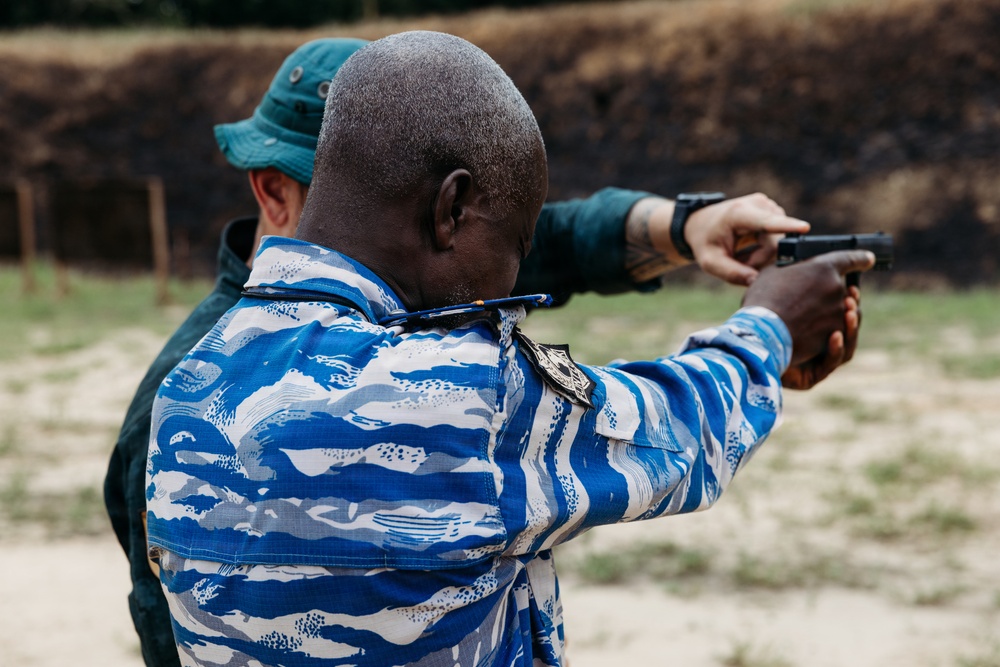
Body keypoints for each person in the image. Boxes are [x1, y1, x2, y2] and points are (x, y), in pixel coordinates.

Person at [145, 30, 873, 666]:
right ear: (450, 208)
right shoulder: (464, 397)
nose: (513, 279)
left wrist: (678, 231)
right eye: (516, 248)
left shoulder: (188, 382)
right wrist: (771, 324)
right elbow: (678, 434)